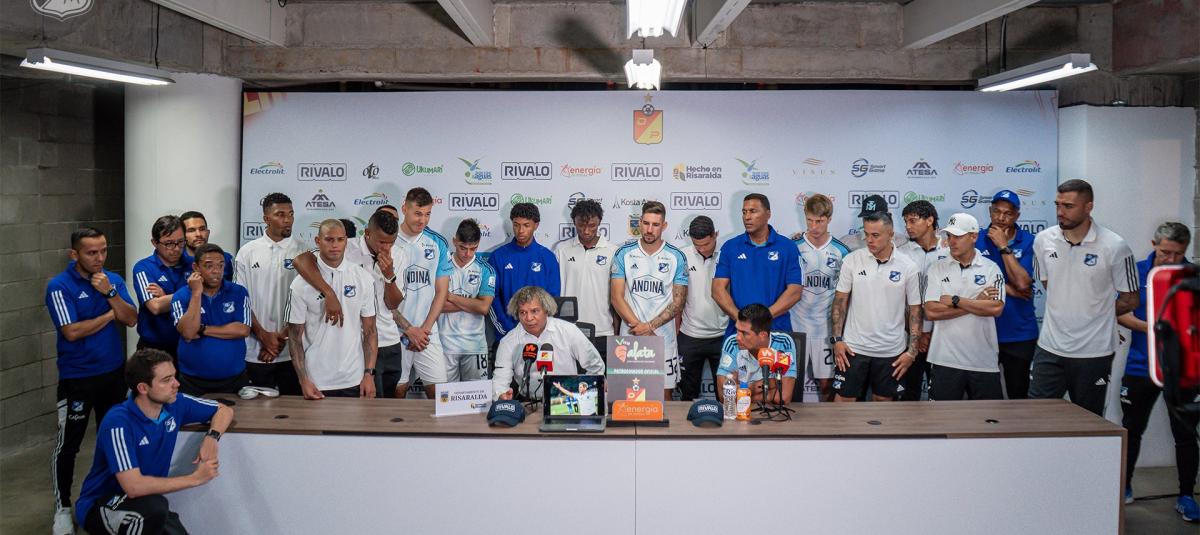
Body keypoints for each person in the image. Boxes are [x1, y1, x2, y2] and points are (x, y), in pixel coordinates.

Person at [75, 349, 233, 535]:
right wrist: (196, 478)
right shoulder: (118, 422)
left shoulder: (176, 404)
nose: (176, 384)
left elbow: (224, 410)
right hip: (103, 503)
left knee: (157, 510)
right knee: (155, 508)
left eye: (174, 376)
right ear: (143, 388)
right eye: (166, 380)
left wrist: (212, 438)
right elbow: (133, 487)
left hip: (145, 503)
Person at [45, 227, 137, 535]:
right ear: (75, 254)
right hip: (77, 378)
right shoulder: (59, 286)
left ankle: (109, 498)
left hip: (113, 375)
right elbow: (71, 332)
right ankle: (62, 508)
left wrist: (111, 294)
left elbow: (131, 318)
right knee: (68, 445)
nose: (99, 258)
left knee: (114, 438)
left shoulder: (113, 280)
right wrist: (110, 315)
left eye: (103, 251)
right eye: (91, 252)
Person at [1030, 179, 1139, 416]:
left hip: (1094, 352)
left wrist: (1098, 313)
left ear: (1089, 207)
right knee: (1036, 418)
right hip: (1049, 348)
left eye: (1068, 206)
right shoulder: (1043, 240)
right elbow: (1050, 285)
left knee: (1089, 423)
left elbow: (1131, 299)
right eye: (1057, 205)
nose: (1060, 212)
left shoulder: (1115, 246)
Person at [1117, 222, 1198, 520]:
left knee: (1185, 434)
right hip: (1141, 366)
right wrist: (1155, 328)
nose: (1171, 259)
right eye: (1165, 252)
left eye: (1178, 253)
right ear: (1154, 245)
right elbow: (1122, 313)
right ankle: (1124, 487)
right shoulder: (1136, 271)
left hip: (1183, 369)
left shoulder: (1193, 276)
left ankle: (1186, 496)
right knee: (1131, 429)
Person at [294, 209, 409, 397]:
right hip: (357, 346)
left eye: (391, 242)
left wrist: (389, 276)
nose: (387, 248)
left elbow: (393, 304)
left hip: (389, 338)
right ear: (368, 233)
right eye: (382, 242)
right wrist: (329, 293)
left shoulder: (400, 255)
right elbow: (300, 260)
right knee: (368, 406)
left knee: (388, 404)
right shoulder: (345, 247)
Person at [830, 211, 921, 402]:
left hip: (891, 351)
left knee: (883, 406)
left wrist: (912, 352)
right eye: (866, 234)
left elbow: (915, 310)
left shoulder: (908, 266)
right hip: (853, 349)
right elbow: (840, 302)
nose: (869, 240)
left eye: (875, 235)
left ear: (891, 235)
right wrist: (837, 340)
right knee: (843, 404)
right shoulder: (852, 260)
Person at [286, 219, 379, 399]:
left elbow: (370, 331)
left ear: (346, 241)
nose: (335, 245)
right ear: (317, 241)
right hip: (316, 380)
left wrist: (369, 374)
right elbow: (295, 337)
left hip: (354, 378)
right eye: (329, 239)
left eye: (340, 239)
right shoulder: (300, 284)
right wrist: (303, 380)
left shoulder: (363, 278)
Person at [922, 213, 1006, 400]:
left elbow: (996, 309)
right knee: (941, 416)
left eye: (958, 236)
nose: (951, 241)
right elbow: (931, 311)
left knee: (989, 417)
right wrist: (977, 301)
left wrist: (956, 300)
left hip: (983, 360)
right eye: (949, 236)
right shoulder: (936, 268)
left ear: (974, 236)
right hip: (944, 359)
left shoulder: (991, 268)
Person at [611, 201, 688, 399]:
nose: (649, 229)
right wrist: (641, 328)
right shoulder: (623, 253)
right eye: (646, 223)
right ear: (640, 223)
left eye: (655, 225)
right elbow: (616, 297)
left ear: (664, 226)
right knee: (627, 396)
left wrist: (650, 327)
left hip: (662, 338)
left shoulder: (677, 256)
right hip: (630, 336)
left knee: (664, 397)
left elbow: (678, 303)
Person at [234, 193, 304, 396]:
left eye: (291, 214)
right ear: (266, 218)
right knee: (256, 410)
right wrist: (264, 336)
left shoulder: (304, 252)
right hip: (255, 350)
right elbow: (241, 300)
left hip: (293, 352)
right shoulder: (247, 252)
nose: (288, 219)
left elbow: (307, 303)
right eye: (280, 214)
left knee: (294, 410)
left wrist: (280, 339)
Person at [390, 187, 453, 398]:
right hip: (395, 332)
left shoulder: (437, 243)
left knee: (440, 396)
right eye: (418, 213)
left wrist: (424, 329)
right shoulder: (388, 241)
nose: (423, 220)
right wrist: (408, 329)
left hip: (427, 334)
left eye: (427, 214)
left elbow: (441, 291)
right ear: (404, 209)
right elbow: (379, 295)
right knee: (396, 393)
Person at [492, 286, 604, 401]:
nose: (529, 318)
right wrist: (501, 394)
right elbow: (501, 377)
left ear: (546, 310)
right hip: (528, 402)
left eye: (534, 311)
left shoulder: (568, 331)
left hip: (566, 400)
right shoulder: (508, 342)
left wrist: (586, 391)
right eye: (523, 312)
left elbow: (595, 365)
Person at [712, 193, 803, 335]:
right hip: (739, 332)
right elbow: (717, 290)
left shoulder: (788, 247)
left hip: (777, 331)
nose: (747, 217)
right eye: (744, 212)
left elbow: (795, 291)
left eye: (753, 211)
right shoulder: (730, 247)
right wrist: (741, 320)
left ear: (768, 214)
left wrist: (763, 319)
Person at [976, 190, 1037, 399]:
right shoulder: (976, 239)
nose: (1001, 218)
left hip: (1019, 333)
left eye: (1008, 213)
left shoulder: (1029, 241)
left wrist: (1003, 246)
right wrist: (1009, 289)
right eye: (997, 211)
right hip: (983, 332)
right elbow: (970, 284)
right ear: (990, 211)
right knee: (983, 398)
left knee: (1018, 397)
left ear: (1017, 215)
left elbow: (1023, 283)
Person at [790, 194, 851, 401]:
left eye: (820, 221)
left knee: (827, 386)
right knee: (791, 386)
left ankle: (829, 422)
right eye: (810, 220)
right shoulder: (793, 247)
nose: (814, 226)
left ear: (829, 219)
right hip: (796, 326)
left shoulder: (842, 251)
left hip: (825, 329)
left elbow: (846, 295)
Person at [171, 244, 252, 395]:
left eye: (220, 265)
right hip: (191, 381)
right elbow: (188, 333)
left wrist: (203, 329)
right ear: (196, 267)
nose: (216, 271)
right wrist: (196, 293)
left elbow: (243, 330)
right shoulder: (181, 296)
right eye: (209, 266)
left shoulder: (238, 292)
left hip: (234, 380)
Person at [896, 200, 949, 401]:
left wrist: (930, 332)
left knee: (942, 396)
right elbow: (899, 299)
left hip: (943, 336)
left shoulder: (949, 250)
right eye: (905, 222)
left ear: (929, 220)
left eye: (913, 221)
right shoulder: (901, 253)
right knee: (908, 395)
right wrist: (917, 334)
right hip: (909, 337)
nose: (908, 226)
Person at [488, 202, 560, 340]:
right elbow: (492, 296)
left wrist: (539, 329)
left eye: (526, 225)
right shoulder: (498, 256)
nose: (520, 230)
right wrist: (508, 330)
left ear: (536, 225)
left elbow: (553, 298)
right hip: (507, 335)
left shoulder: (547, 258)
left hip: (540, 336)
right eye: (516, 225)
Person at [676, 216, 730, 401]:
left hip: (722, 335)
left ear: (715, 235)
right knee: (687, 395)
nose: (701, 249)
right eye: (696, 245)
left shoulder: (727, 255)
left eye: (706, 244)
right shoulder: (682, 256)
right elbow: (676, 299)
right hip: (689, 336)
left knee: (726, 396)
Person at [439, 219, 497, 381]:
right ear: (454, 241)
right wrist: (473, 302)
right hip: (444, 345)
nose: (468, 254)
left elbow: (484, 308)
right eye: (463, 248)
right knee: (445, 396)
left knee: (476, 395)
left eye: (473, 248)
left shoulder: (486, 270)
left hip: (475, 346)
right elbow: (436, 305)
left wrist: (450, 296)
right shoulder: (440, 265)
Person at [554, 198, 619, 339]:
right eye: (581, 225)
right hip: (567, 329)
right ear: (574, 222)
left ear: (599, 222)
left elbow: (618, 296)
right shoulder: (561, 250)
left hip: (602, 330)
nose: (586, 231)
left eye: (592, 225)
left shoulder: (613, 252)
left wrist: (617, 331)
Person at [714, 304, 799, 405]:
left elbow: (782, 398)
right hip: (742, 413)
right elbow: (724, 397)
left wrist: (742, 390)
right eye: (737, 330)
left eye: (744, 333)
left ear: (763, 335)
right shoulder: (732, 343)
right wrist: (763, 385)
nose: (738, 337)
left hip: (773, 413)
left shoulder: (783, 343)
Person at [131, 215, 190, 359]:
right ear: (154, 242)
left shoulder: (193, 264)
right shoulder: (143, 267)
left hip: (187, 343)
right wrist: (192, 292)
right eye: (169, 243)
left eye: (181, 242)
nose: (176, 248)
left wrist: (166, 296)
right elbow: (155, 307)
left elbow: (204, 299)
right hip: (153, 347)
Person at [180, 210, 234, 281]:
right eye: (191, 230)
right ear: (182, 235)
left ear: (208, 232)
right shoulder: (176, 260)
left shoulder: (226, 259)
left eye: (202, 229)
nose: (198, 234)